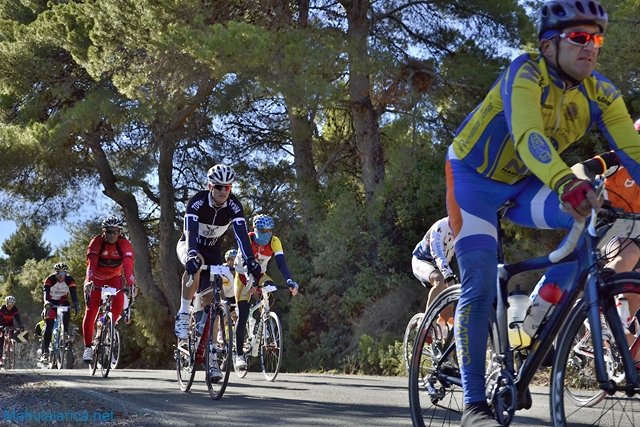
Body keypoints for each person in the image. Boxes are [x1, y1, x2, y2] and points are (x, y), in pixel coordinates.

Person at [445, 1, 640, 425]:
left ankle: (534, 323)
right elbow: (529, 136)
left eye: (596, 39)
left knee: (586, 223)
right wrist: (567, 183)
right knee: (480, 282)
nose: (591, 47)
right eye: (579, 37)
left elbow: (634, 152)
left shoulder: (601, 93)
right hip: (473, 180)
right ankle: (474, 406)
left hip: (524, 183)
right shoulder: (525, 72)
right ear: (549, 45)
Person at [174, 163, 261, 381]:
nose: (223, 191)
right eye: (219, 187)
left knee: (213, 305)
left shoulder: (234, 205)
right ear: (210, 186)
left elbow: (241, 235)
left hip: (213, 251)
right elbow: (190, 232)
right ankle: (183, 313)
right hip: (190, 246)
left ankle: (212, 359)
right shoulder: (197, 202)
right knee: (196, 262)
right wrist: (191, 255)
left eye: (227, 187)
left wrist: (250, 260)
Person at [233, 214, 299, 370]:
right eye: (263, 230)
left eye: (270, 230)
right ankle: (239, 355)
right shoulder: (247, 239)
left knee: (269, 286)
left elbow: (281, 263)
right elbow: (245, 264)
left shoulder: (274, 241)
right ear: (255, 229)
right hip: (242, 275)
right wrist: (250, 283)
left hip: (260, 274)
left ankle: (265, 319)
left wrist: (289, 280)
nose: (267, 234)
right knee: (243, 314)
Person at [82, 216, 136, 363]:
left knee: (119, 300)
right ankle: (88, 347)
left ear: (120, 232)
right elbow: (91, 264)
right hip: (96, 279)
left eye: (115, 232)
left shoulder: (124, 244)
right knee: (91, 311)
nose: (112, 235)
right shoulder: (97, 242)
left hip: (114, 278)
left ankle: (107, 328)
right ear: (103, 232)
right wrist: (89, 281)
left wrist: (131, 283)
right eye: (109, 232)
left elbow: (128, 266)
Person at [412, 216, 457, 312]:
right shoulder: (441, 226)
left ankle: (443, 319)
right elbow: (437, 253)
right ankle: (427, 319)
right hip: (420, 260)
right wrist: (448, 275)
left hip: (437, 267)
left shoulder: (461, 234)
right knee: (440, 279)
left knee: (449, 309)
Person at [40, 262, 79, 362]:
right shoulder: (50, 279)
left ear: (66, 273)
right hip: (51, 302)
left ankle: (65, 332)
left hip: (62, 300)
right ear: (55, 273)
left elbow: (73, 293)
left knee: (66, 309)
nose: (61, 276)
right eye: (58, 273)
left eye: (63, 273)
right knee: (49, 326)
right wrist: (46, 302)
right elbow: (46, 294)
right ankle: (45, 351)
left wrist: (76, 303)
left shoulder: (70, 280)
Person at [0, 296, 24, 366]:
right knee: (1, 339)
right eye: (8, 304)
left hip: (10, 323)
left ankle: (10, 347)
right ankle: (0, 358)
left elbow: (17, 318)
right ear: (6, 303)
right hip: (2, 323)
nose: (10, 306)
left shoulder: (14, 309)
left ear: (13, 304)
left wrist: (20, 325)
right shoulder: (2, 308)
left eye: (11, 304)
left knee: (11, 334)